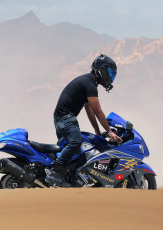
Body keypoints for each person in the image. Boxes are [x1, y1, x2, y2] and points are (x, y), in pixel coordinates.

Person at [44, 53, 119, 187]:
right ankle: (54, 172)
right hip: (66, 118)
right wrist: (109, 131)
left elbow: (89, 109)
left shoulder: (89, 83)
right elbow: (98, 111)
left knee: (75, 153)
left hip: (62, 118)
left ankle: (64, 177)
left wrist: (97, 129)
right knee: (76, 142)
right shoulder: (89, 83)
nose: (110, 78)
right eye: (110, 73)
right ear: (101, 70)